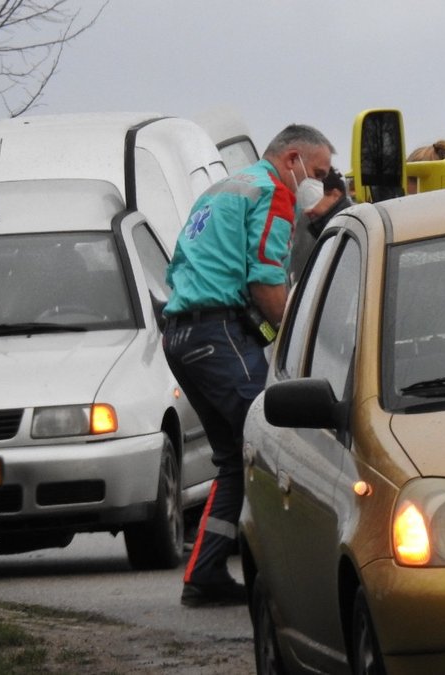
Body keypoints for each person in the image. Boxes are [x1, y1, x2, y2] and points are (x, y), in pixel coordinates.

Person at [161, 123, 338, 607]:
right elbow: (265, 281)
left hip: (181, 334)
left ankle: (206, 571)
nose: (317, 183)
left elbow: (179, 266)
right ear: (292, 160)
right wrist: (298, 336)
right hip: (216, 334)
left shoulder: (219, 191)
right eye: (316, 172)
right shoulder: (272, 194)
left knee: (237, 456)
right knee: (268, 446)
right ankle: (287, 573)